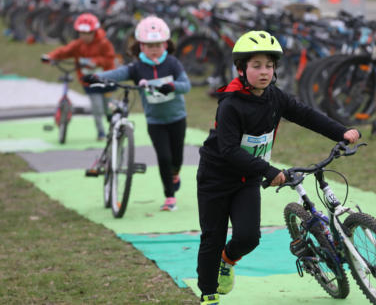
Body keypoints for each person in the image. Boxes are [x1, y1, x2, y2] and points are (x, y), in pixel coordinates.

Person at [195, 30, 360, 304]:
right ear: (241, 68)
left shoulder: (275, 97)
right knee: (213, 236)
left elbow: (305, 115)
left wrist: (341, 132)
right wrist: (269, 170)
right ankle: (208, 292)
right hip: (216, 178)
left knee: (249, 237)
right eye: (256, 66)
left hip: (247, 178)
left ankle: (228, 259)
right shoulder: (230, 105)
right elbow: (228, 150)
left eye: (269, 66)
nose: (264, 72)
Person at [82, 16, 191, 212]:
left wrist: (172, 86)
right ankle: (169, 197)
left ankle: (175, 173)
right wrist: (97, 77)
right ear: (141, 46)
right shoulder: (137, 67)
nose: (154, 49)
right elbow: (117, 74)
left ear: (165, 44)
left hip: (177, 118)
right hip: (155, 121)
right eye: (149, 45)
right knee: (164, 158)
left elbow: (187, 86)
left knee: (176, 158)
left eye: (158, 44)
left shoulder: (173, 64)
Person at [41, 12, 116, 141]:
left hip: (106, 81)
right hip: (90, 83)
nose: (85, 37)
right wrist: (50, 56)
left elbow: (110, 59)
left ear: (94, 32)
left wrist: (96, 62)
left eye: (88, 33)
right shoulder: (78, 45)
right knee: (97, 108)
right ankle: (101, 133)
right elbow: (64, 51)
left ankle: (114, 127)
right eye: (82, 33)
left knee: (109, 107)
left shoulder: (104, 44)